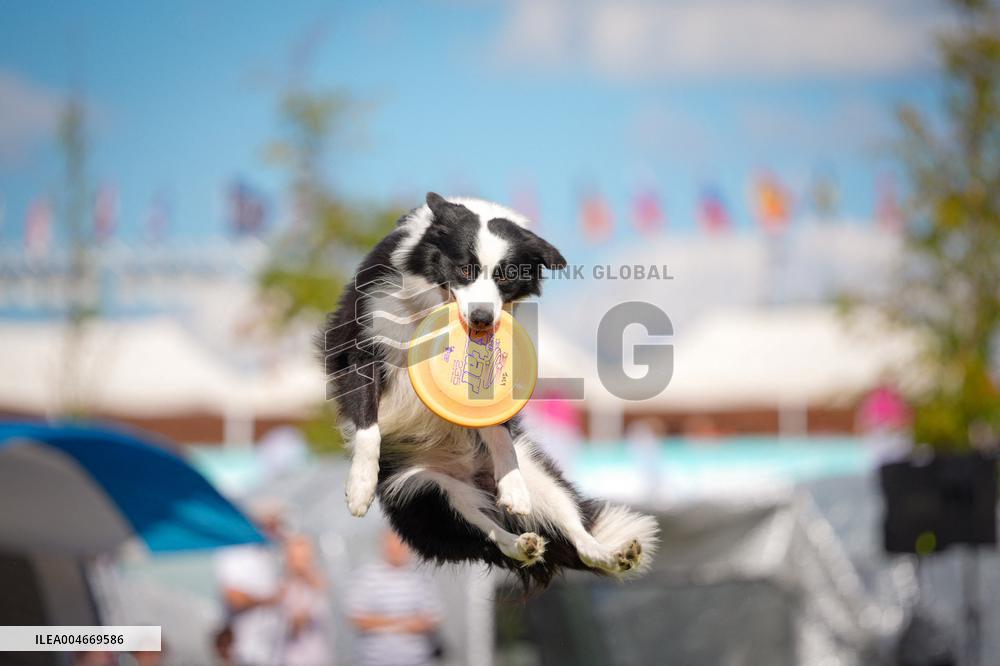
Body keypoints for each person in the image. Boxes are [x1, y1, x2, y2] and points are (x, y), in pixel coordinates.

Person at [347, 530, 444, 666]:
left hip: (418, 660)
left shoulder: (422, 578)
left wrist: (383, 622)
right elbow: (358, 619)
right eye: (393, 544)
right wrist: (405, 623)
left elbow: (432, 618)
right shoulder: (366, 577)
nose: (397, 549)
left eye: (402, 544)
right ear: (383, 545)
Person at [214, 499, 286, 666]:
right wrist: (270, 599)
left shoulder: (266, 555)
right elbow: (233, 596)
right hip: (246, 652)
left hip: (271, 653)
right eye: (272, 524)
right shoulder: (235, 553)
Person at [282, 533, 333, 666]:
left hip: (318, 658)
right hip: (290, 659)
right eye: (295, 558)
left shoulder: (319, 587)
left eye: (304, 559)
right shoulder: (282, 589)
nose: (300, 564)